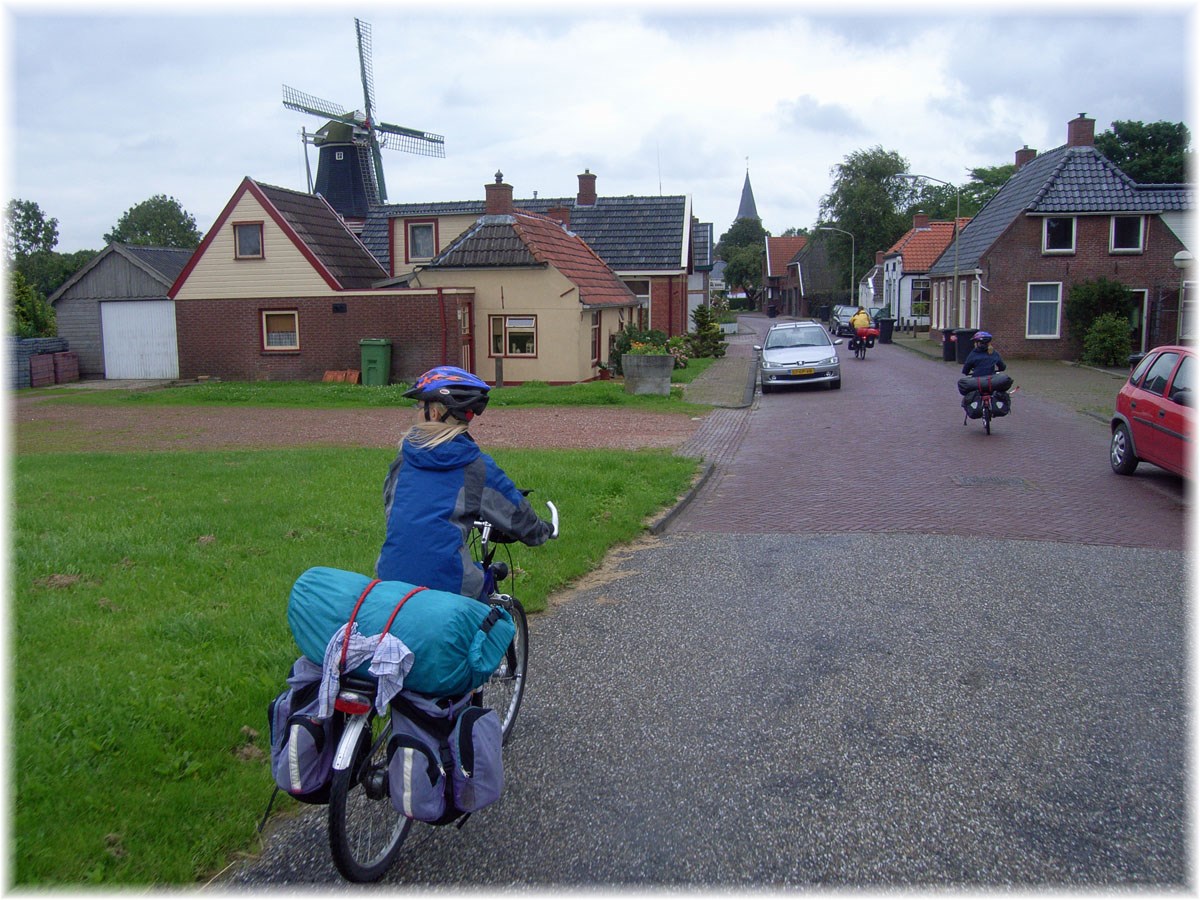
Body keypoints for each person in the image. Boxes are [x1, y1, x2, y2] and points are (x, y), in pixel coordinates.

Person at [375, 365, 556, 599]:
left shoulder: (402, 462)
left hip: (389, 580)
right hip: (448, 587)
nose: (416, 412)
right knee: (485, 610)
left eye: (419, 406)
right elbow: (517, 515)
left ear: (437, 413)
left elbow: (393, 511)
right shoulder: (475, 467)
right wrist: (542, 531)